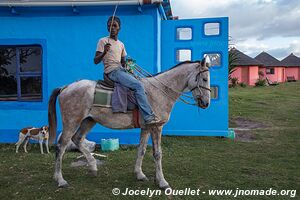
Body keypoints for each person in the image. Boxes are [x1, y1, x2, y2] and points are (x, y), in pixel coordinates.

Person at [94, 16, 159, 125]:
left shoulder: (121, 44)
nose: (112, 28)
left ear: (119, 28)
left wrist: (130, 65)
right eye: (109, 26)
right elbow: (95, 61)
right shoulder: (103, 41)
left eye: (114, 26)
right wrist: (104, 52)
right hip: (112, 72)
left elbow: (124, 62)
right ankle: (148, 117)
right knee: (138, 85)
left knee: (142, 82)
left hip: (120, 70)